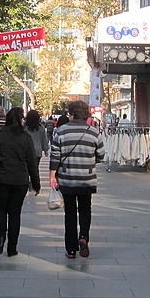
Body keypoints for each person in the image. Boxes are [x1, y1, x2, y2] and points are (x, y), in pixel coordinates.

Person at [49, 100, 104, 259]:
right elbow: (101, 155)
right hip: (87, 178)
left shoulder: (61, 131)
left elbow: (55, 156)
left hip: (67, 179)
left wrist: (53, 175)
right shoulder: (93, 132)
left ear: (71, 114)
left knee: (70, 213)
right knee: (86, 209)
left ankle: (71, 249)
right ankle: (84, 237)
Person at [0, 107, 40, 257]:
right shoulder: (25, 138)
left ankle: (0, 240)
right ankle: (12, 247)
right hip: (19, 180)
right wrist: (36, 184)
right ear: (20, 120)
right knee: (14, 213)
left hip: (0, 178)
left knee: (0, 210)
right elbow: (32, 163)